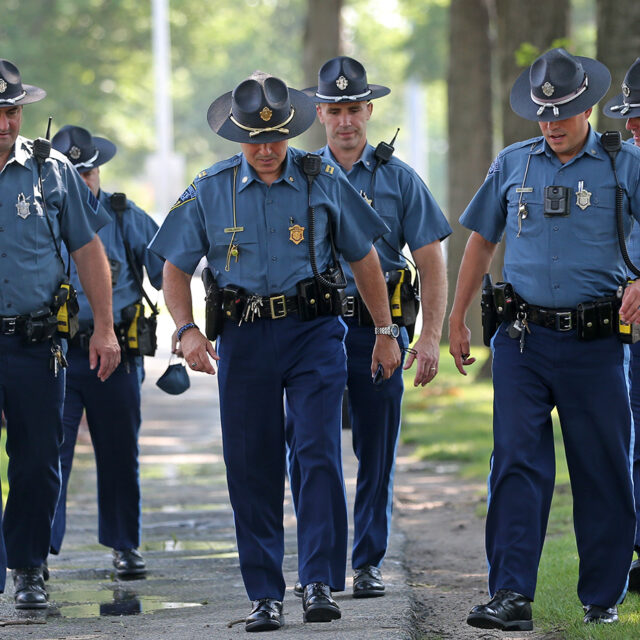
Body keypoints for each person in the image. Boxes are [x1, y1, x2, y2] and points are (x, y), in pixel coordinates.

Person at [150, 71, 401, 632]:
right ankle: (265, 593)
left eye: (275, 138)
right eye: (254, 140)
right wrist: (187, 328)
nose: (266, 150)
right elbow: (173, 266)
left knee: (316, 452)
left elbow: (363, 256)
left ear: (290, 131)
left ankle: (317, 581)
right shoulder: (209, 188)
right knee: (251, 464)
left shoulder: (322, 179)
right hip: (243, 341)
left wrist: (384, 330)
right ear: (236, 136)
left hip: (313, 334)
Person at [448, 47, 640, 629]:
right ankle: (510, 596)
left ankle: (602, 596)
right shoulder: (513, 163)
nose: (553, 123)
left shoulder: (623, 162)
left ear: (587, 107)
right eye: (544, 113)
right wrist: (456, 319)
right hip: (522, 342)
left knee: (601, 466)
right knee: (515, 462)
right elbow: (481, 241)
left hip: (597, 343)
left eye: (565, 111)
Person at [287, 56, 450, 599]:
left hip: (377, 332)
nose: (345, 120)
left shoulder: (398, 177)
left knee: (375, 450)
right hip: (313, 329)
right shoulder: (298, 172)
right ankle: (320, 565)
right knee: (311, 447)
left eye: (354, 108)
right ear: (319, 113)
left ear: (369, 110)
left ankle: (369, 560)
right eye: (334, 110)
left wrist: (428, 336)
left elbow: (431, 258)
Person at [0, 59, 120, 608]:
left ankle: (28, 568)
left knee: (37, 461)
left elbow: (89, 250)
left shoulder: (53, 172)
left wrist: (105, 328)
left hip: (35, 342)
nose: (5, 123)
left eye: (12, 111)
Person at [49, 125, 163, 577]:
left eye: (88, 172)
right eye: (72, 174)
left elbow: (166, 265)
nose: (83, 181)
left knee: (119, 453)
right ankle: (34, 555)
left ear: (99, 171)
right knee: (46, 455)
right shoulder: (38, 214)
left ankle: (124, 545)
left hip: (115, 352)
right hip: (55, 352)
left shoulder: (122, 215)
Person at [603, 57, 640, 592]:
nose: (632, 126)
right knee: (632, 437)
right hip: (630, 329)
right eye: (631, 116)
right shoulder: (625, 167)